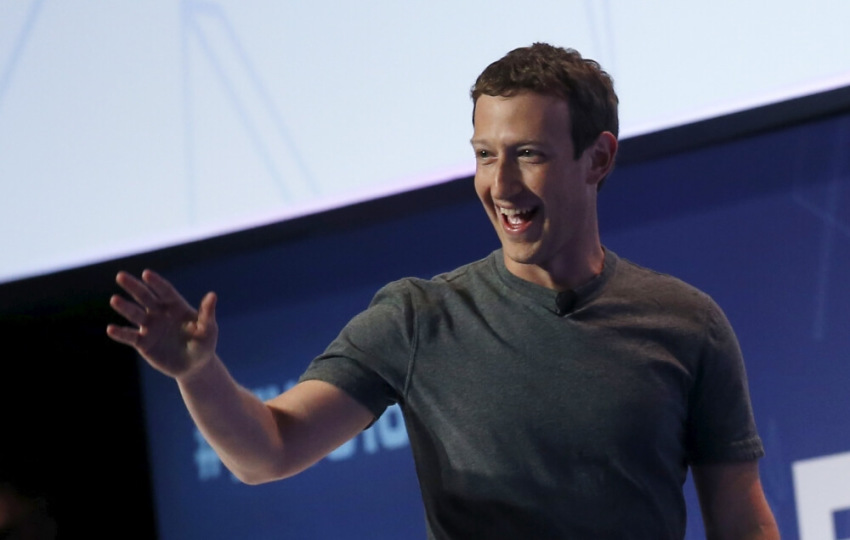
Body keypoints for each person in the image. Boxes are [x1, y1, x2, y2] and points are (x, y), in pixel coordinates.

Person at [108, 43, 779, 539]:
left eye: (530, 154)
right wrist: (198, 373)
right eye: (486, 155)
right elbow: (269, 451)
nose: (502, 185)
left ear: (598, 158)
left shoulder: (687, 324)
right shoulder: (418, 319)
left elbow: (740, 519)